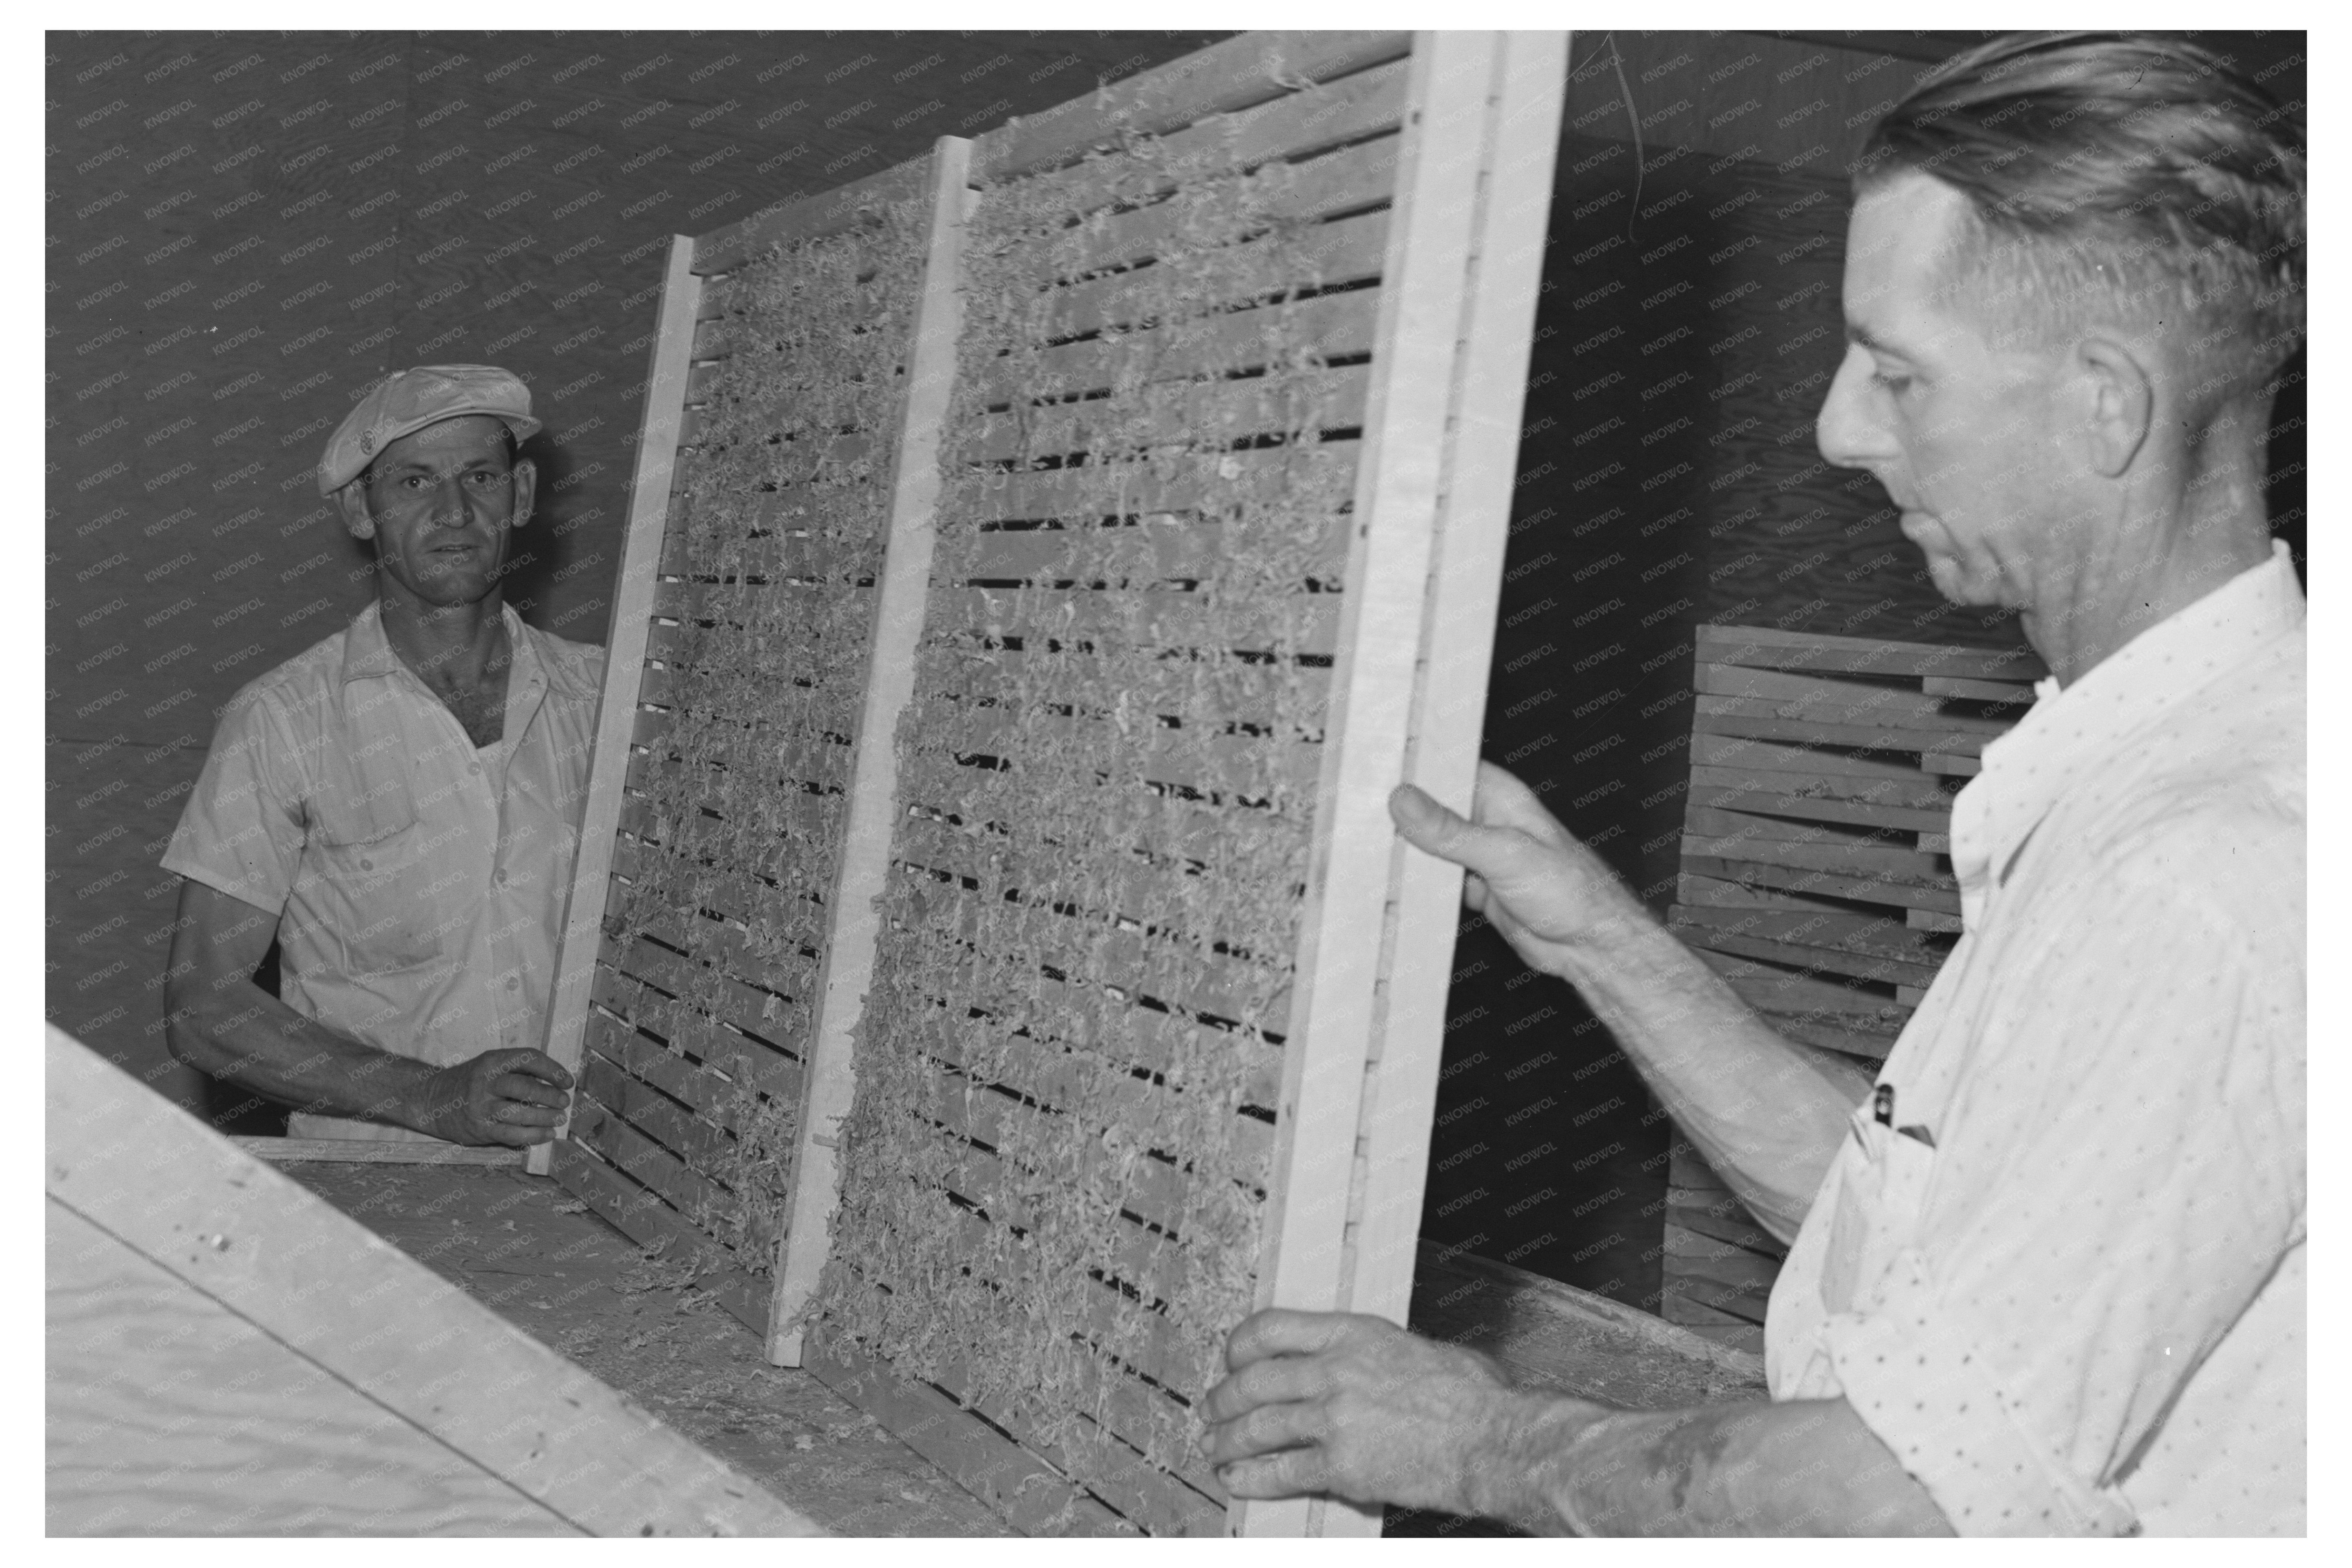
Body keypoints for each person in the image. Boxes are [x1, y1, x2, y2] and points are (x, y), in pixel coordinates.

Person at [1203, 32, 2304, 1535]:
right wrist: (1596, 934)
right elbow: (1909, 1249)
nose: (1840, 429)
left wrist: (1487, 1446)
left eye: (1898, 373)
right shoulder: (2170, 771)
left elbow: (1891, 1496)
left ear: (2105, 405)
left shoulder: (2202, 874)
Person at [162, 365, 604, 1147]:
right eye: (414, 481)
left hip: (597, 1184)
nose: (455, 511)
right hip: (377, 1183)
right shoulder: (284, 718)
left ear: (523, 496)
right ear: (361, 510)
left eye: (480, 477)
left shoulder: (614, 699)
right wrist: (431, 1098)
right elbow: (205, 1007)